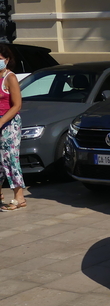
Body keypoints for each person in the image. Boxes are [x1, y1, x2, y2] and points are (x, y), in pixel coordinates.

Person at [0, 44, 25, 211]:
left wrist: (1, 122)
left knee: (10, 160)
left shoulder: (11, 78)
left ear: (7, 60)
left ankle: (19, 196)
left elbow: (17, 105)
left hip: (9, 124)